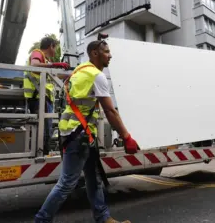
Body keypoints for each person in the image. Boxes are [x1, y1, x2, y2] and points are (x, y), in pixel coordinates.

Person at [34, 39, 139, 223]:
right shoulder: (96, 76)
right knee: (67, 182)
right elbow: (110, 111)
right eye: (106, 51)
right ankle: (41, 220)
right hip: (79, 135)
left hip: (78, 134)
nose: (110, 55)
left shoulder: (78, 71)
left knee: (93, 178)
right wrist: (126, 136)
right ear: (95, 53)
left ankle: (103, 217)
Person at [24, 36, 69, 155]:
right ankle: (41, 154)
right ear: (51, 46)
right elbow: (34, 65)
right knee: (43, 130)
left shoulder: (46, 62)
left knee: (45, 129)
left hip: (43, 98)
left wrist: (69, 74)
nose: (55, 52)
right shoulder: (37, 53)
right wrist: (54, 65)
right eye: (55, 48)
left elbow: (56, 76)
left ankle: (43, 153)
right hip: (39, 97)